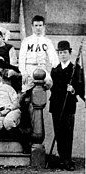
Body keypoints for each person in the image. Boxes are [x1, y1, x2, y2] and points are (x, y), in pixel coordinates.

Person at [49, 41, 83, 171]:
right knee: (58, 132)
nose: (62, 55)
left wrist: (73, 89)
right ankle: (62, 159)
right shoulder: (55, 69)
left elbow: (81, 87)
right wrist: (62, 88)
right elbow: (53, 88)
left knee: (67, 132)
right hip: (56, 104)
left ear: (69, 53)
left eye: (65, 52)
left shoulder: (76, 69)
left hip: (68, 105)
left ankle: (68, 159)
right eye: (60, 53)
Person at [19, 15, 59, 93]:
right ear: (32, 26)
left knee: (48, 83)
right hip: (29, 68)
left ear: (43, 26)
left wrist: (54, 70)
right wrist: (24, 73)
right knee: (26, 93)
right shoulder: (26, 41)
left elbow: (53, 58)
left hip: (42, 68)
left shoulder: (47, 41)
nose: (38, 28)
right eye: (36, 25)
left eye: (40, 25)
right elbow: (21, 58)